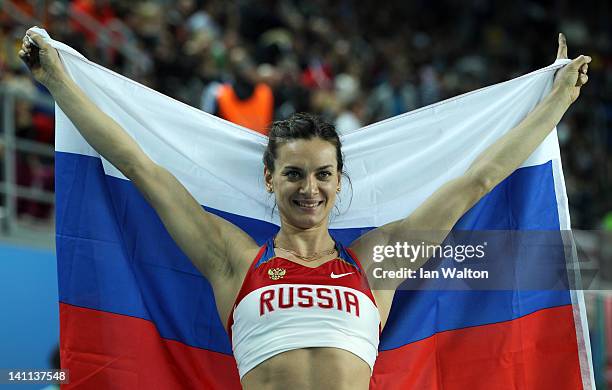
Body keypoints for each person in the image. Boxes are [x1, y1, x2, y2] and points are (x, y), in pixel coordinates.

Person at [19, 29, 590, 390]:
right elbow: (140, 167)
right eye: (293, 173)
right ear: (270, 178)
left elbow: (479, 180)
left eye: (322, 175)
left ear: (340, 183)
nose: (308, 189)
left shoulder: (374, 264)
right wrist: (60, 84)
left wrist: (558, 99)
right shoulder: (232, 260)